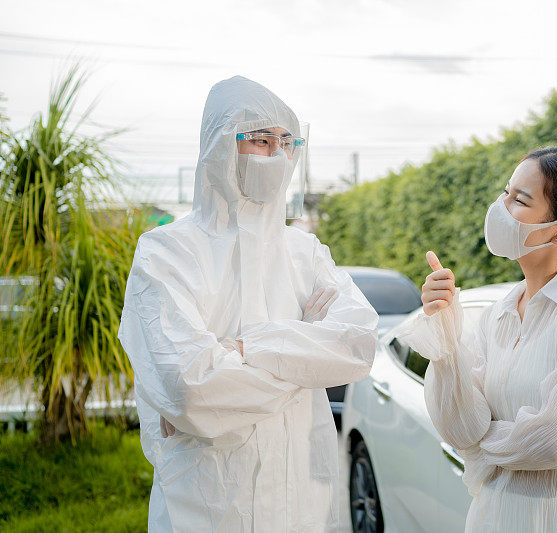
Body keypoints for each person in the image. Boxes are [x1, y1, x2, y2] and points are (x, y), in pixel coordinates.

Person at [117, 75, 379, 532]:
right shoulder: (166, 253)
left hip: (301, 503)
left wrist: (239, 349)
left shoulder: (305, 251)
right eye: (259, 140)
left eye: (286, 142)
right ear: (219, 144)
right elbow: (191, 390)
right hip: (207, 506)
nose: (276, 155)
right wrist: (307, 355)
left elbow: (357, 344)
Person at [395, 145, 557, 532]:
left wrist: (480, 445)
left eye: (520, 200)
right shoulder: (500, 309)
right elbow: (459, 428)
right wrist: (446, 334)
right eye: (506, 192)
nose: (501, 207)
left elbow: (556, 439)